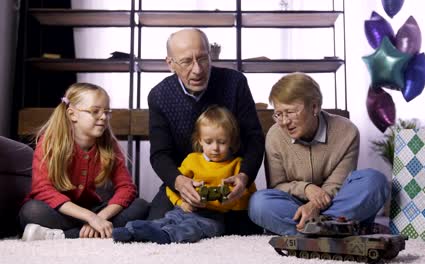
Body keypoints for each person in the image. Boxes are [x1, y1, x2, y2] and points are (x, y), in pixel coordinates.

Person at [147, 28, 264, 235]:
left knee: (248, 230)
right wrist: (180, 183)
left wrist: (244, 177)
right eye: (186, 62)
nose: (198, 70)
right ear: (170, 63)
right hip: (185, 182)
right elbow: (160, 155)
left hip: (229, 183)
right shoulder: (158, 95)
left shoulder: (236, 83)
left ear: (211, 55)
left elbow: (254, 138)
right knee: (158, 223)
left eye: (203, 59)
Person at [248, 73, 389, 235]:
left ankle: (308, 232)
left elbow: (337, 183)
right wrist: (306, 189)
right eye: (279, 114)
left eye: (290, 112)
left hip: (336, 200)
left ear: (314, 107)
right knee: (258, 203)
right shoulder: (274, 135)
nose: (285, 122)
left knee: (374, 180)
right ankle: (340, 229)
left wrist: (314, 206)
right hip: (296, 204)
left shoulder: (347, 131)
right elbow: (277, 186)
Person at [19, 83, 148, 241]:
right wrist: (90, 218)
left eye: (107, 112)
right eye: (95, 111)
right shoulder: (49, 142)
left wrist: (100, 217)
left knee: (140, 206)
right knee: (31, 211)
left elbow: (127, 188)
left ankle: (63, 236)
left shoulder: (108, 144)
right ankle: (97, 232)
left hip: (95, 210)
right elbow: (43, 189)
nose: (103, 117)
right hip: (63, 212)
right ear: (72, 114)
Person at [113, 106, 256, 243]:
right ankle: (131, 231)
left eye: (222, 142)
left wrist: (231, 201)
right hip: (185, 209)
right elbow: (172, 185)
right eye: (208, 142)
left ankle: (167, 235)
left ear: (231, 140)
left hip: (214, 217)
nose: (215, 148)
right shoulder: (192, 160)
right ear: (200, 140)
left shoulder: (238, 165)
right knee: (166, 219)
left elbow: (247, 195)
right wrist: (181, 203)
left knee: (193, 229)